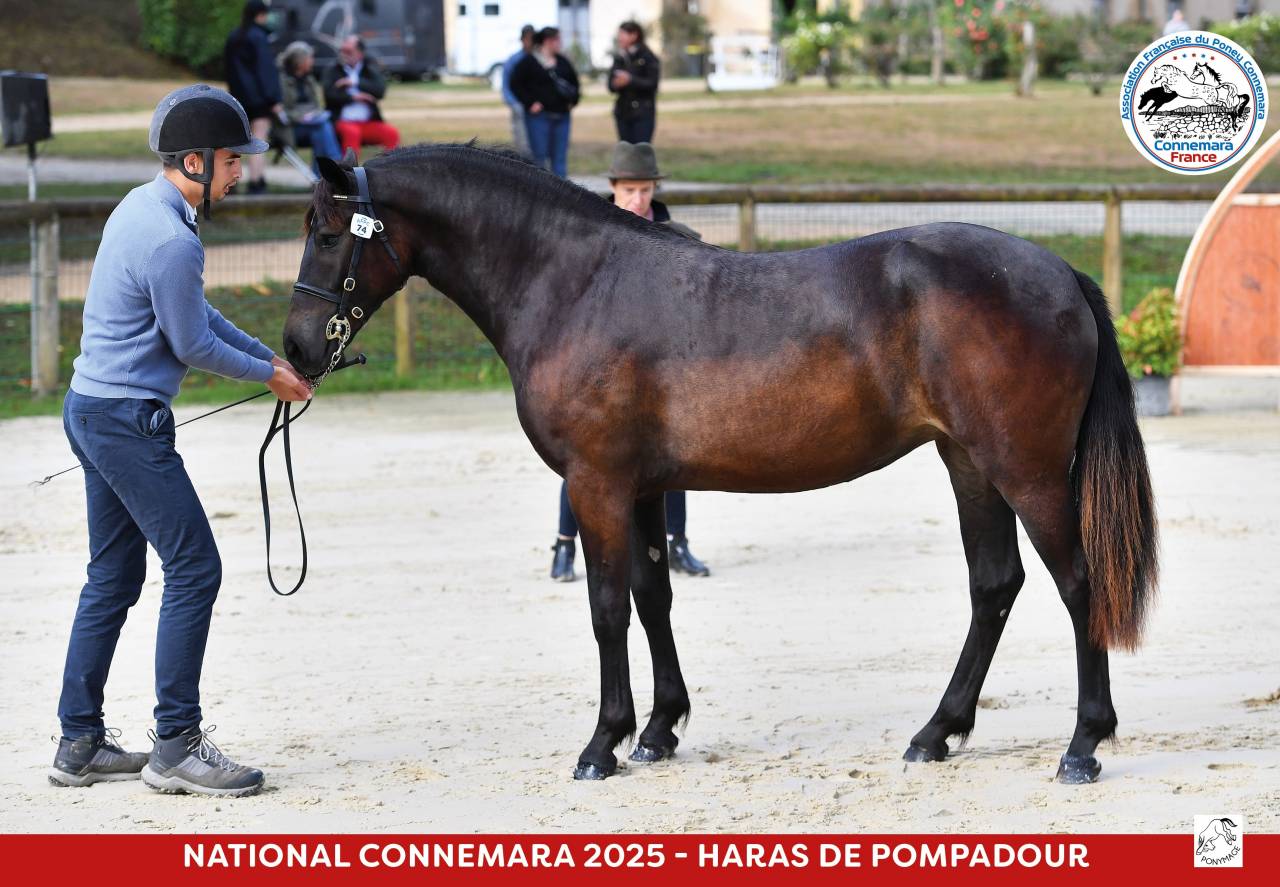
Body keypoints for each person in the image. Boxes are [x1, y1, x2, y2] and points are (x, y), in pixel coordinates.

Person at [49, 84, 313, 797]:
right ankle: (177, 743)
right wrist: (271, 376)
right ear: (195, 160)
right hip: (127, 422)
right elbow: (191, 339)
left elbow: (197, 309)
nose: (239, 172)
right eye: (232, 160)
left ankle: (78, 740)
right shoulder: (171, 236)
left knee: (114, 575)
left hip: (91, 407)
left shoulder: (145, 207)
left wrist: (269, 358)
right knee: (195, 566)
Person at [550, 141, 710, 582]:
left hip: (666, 369)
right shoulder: (589, 239)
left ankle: (677, 543)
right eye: (629, 191)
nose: (637, 200)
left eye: (644, 190)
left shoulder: (679, 240)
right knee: (586, 459)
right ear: (613, 189)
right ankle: (564, 546)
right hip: (603, 372)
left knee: (676, 460)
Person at [223, 0, 282, 194]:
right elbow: (265, 70)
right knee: (258, 139)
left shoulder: (234, 36)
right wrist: (273, 98)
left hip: (237, 97)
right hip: (259, 99)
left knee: (235, 143)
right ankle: (257, 181)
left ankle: (229, 182)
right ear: (260, 15)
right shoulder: (259, 37)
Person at [510, 27, 580, 179]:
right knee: (539, 158)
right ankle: (541, 194)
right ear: (547, 41)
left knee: (559, 159)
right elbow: (515, 84)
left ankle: (562, 194)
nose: (560, 43)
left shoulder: (562, 62)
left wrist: (573, 101)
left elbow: (574, 84)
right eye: (557, 40)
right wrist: (530, 103)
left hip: (562, 116)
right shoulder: (528, 62)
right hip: (539, 118)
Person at [323, 35, 401, 160]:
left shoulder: (369, 68)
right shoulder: (333, 70)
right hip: (343, 121)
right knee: (352, 133)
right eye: (342, 50)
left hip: (368, 122)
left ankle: (390, 170)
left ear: (359, 53)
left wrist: (355, 82)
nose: (344, 54)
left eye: (348, 51)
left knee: (391, 133)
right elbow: (329, 95)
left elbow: (380, 90)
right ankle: (349, 174)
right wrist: (353, 97)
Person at [276, 41, 343, 169]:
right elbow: (281, 110)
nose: (313, 61)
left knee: (320, 130)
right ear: (300, 61)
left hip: (313, 124)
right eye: (310, 58)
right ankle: (336, 163)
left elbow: (317, 105)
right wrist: (301, 117)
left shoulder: (309, 79)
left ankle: (319, 177)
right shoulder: (281, 81)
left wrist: (315, 115)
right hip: (291, 128)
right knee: (322, 128)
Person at [608, 20, 661, 144]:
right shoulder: (619, 57)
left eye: (622, 34)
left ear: (634, 35)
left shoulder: (647, 57)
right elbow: (610, 85)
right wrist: (616, 84)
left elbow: (653, 83)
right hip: (623, 112)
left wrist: (630, 80)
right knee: (626, 152)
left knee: (641, 153)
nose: (619, 38)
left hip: (643, 113)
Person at [501, 25, 536, 157]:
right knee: (523, 145)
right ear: (522, 40)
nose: (530, 42)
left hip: (537, 109)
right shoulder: (514, 60)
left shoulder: (539, 58)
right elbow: (506, 87)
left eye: (532, 39)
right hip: (520, 108)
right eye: (527, 39)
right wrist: (515, 104)